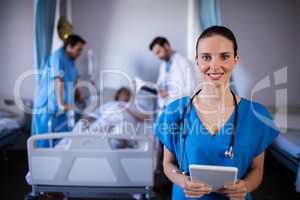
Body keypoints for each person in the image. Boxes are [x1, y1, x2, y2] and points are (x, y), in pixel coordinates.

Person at [154, 26, 279, 200]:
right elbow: (168, 164)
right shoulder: (175, 111)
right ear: (197, 61)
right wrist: (182, 181)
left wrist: (246, 186)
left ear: (236, 60)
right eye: (206, 57)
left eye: (225, 56)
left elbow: (256, 170)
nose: (214, 65)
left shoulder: (256, 115)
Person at [32, 34, 86, 147]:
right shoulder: (58, 57)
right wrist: (61, 104)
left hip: (62, 109)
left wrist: (78, 94)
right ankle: (44, 164)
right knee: (45, 142)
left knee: (60, 142)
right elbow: (58, 80)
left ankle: (58, 163)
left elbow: (74, 80)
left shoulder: (71, 61)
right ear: (69, 47)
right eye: (78, 49)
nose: (80, 53)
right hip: (48, 107)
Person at [149, 37, 199, 109]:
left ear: (166, 46)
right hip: (166, 106)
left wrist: (169, 93)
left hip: (180, 107)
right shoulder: (163, 65)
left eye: (158, 52)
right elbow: (160, 84)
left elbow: (192, 88)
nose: (158, 57)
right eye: (156, 54)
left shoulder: (183, 62)